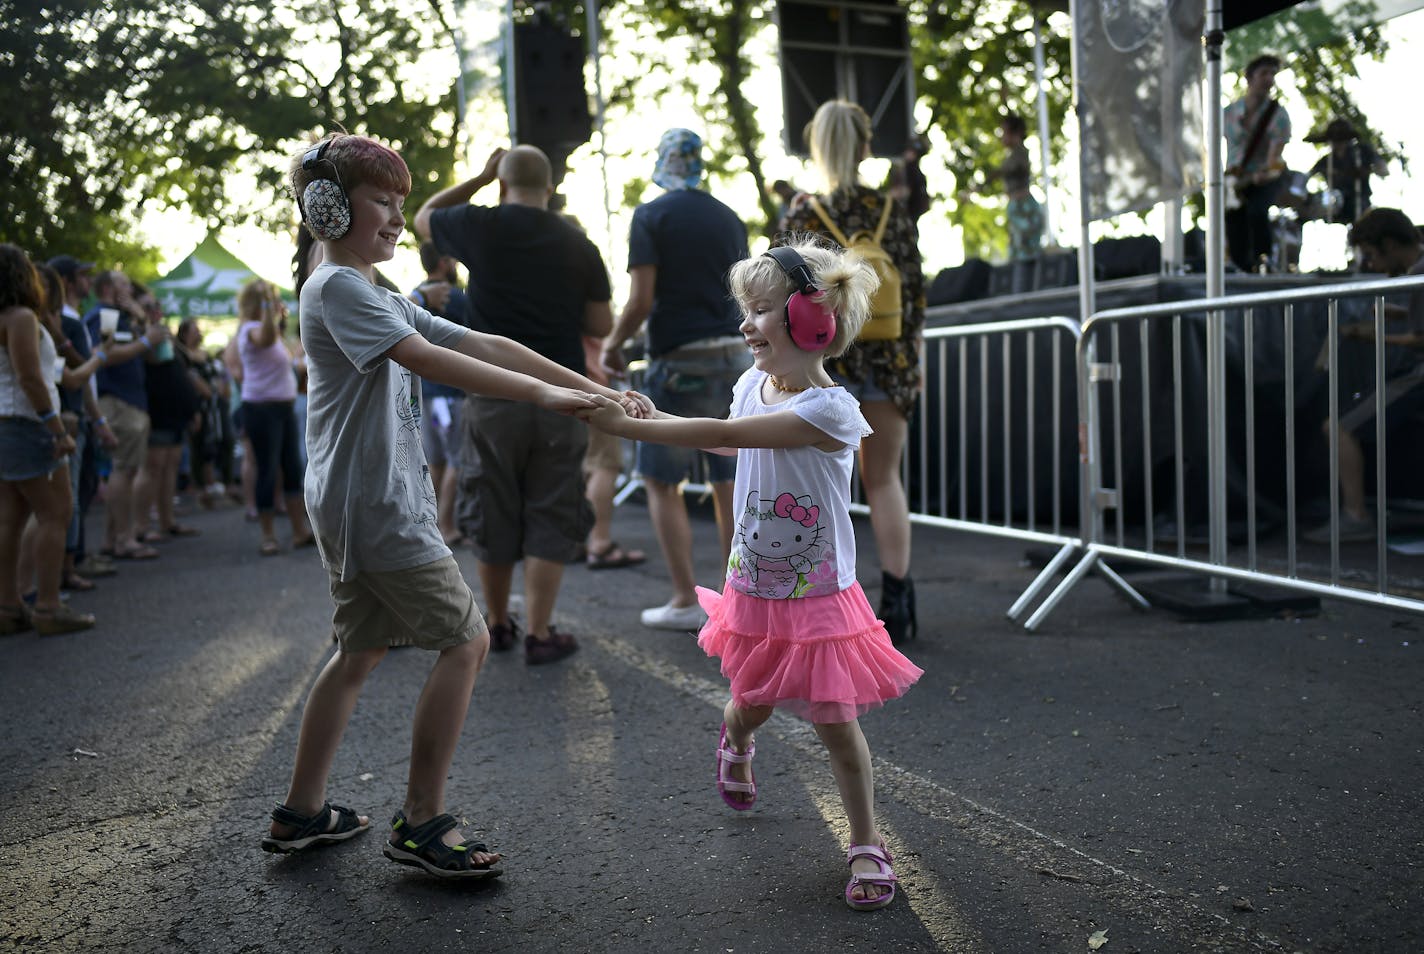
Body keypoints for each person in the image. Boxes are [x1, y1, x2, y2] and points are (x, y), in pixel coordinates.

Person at [262, 132, 639, 874]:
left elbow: (484, 341)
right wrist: (553, 397)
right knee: (465, 643)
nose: (399, 218)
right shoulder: (338, 286)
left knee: (360, 651)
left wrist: (590, 389)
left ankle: (300, 814)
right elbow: (433, 361)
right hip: (376, 505)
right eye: (382, 201)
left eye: (404, 204)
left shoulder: (374, 289)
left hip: (359, 502)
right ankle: (423, 822)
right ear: (327, 209)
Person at [582, 237, 924, 911]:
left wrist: (637, 431)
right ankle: (736, 740)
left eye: (762, 310)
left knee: (836, 721)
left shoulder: (831, 412)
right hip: (755, 587)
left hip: (820, 593)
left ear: (811, 320)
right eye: (746, 309)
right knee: (754, 701)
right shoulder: (749, 385)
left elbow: (736, 438)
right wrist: (654, 415)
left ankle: (865, 842)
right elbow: (721, 435)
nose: (745, 324)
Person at [415, 144, 616, 663]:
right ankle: (541, 632)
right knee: (552, 508)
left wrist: (480, 178)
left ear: (504, 183)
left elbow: (422, 218)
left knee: (493, 506)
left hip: (492, 390)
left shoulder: (481, 225)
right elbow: (601, 325)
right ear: (549, 186)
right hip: (563, 392)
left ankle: (499, 623)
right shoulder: (578, 241)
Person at [781, 99, 925, 644]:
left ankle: (824, 604)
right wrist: (916, 359)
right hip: (890, 360)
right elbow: (914, 293)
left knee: (819, 487)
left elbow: (781, 293)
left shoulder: (805, 215)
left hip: (826, 363)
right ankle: (898, 598)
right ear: (867, 146)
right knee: (884, 479)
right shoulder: (892, 211)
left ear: (817, 146)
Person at [598, 128, 751, 629]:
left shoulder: (651, 215)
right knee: (729, 481)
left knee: (661, 479)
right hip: (733, 356)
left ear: (662, 162)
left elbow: (641, 299)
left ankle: (686, 600)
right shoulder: (728, 217)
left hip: (678, 359)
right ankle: (738, 603)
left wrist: (614, 343)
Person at [1307, 207, 1424, 544]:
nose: (1371, 265)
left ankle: (1356, 516)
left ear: (1389, 243)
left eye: (1371, 255)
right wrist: (1399, 314)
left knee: (1338, 427)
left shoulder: (1420, 272)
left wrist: (1374, 335)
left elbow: (1421, 338)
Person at [0, 245, 93, 635]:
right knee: (56, 514)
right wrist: (56, 429)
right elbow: (31, 378)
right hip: (28, 424)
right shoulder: (20, 317)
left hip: (8, 424)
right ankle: (49, 607)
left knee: (11, 519)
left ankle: (8, 607)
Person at [84, 270, 169, 560]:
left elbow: (155, 351)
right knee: (124, 469)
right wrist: (145, 340)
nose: (130, 290)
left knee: (126, 469)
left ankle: (112, 539)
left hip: (128, 401)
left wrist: (143, 321)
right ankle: (124, 539)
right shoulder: (106, 315)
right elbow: (103, 355)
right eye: (123, 284)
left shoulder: (120, 316)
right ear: (108, 287)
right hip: (118, 402)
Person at [234, 278, 312, 555]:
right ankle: (268, 535)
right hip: (261, 408)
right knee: (267, 469)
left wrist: (277, 315)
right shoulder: (249, 330)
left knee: (291, 468)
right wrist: (269, 305)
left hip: (282, 407)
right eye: (269, 300)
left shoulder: (272, 332)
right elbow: (265, 337)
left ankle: (299, 530)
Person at [132, 285, 202, 542]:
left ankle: (166, 520)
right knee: (153, 467)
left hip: (175, 412)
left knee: (170, 465)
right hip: (157, 410)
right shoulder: (142, 334)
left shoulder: (163, 335)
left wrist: (191, 408)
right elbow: (153, 361)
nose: (156, 311)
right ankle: (140, 526)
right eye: (149, 306)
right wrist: (144, 323)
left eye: (157, 306)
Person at [413, 242, 468, 545]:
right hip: (452, 393)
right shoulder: (457, 298)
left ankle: (429, 525)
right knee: (456, 460)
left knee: (435, 462)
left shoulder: (412, 296)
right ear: (445, 262)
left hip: (424, 393)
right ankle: (446, 525)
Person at [1224, 53, 1292, 273]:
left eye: (1273, 74)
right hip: (1234, 180)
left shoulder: (1278, 115)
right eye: (1264, 73)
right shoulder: (1229, 112)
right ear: (1249, 77)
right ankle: (1238, 267)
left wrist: (1266, 173)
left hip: (1262, 178)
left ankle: (1264, 263)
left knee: (1257, 212)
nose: (1269, 78)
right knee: (1233, 222)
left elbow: (1274, 160)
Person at [1306, 118, 1387, 227]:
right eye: (1334, 139)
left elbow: (1383, 170)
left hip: (1359, 202)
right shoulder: (1326, 161)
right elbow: (1307, 176)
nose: (1337, 143)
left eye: (1341, 138)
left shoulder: (1362, 151)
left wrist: (1368, 170)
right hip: (1335, 205)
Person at [996, 114, 1043, 261]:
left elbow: (1012, 169)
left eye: (1005, 132)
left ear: (1015, 133)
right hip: (1016, 206)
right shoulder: (1013, 154)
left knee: (1027, 252)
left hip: (1024, 207)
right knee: (1016, 252)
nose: (1002, 137)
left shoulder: (1020, 152)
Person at [884, 132, 931, 231]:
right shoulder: (902, 169)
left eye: (911, 151)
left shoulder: (914, 173)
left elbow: (902, 193)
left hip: (904, 223)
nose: (907, 153)